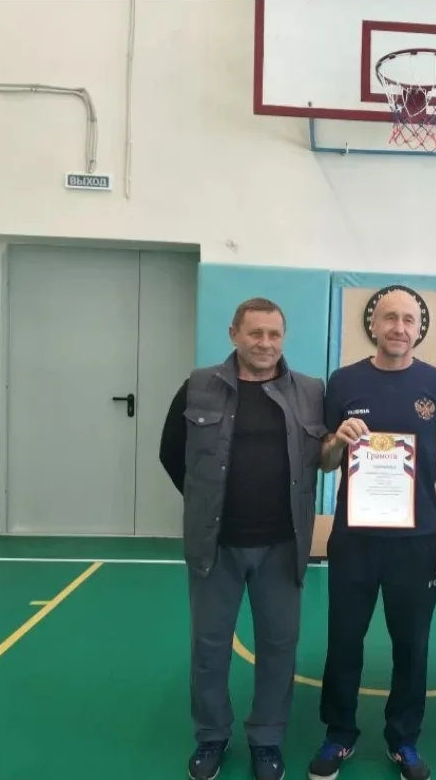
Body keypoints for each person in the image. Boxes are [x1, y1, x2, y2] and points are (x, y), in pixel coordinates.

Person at [158, 297, 327, 780]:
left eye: (274, 334)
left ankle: (267, 739)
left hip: (283, 548)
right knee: (209, 647)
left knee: (278, 648)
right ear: (234, 334)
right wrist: (207, 503)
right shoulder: (198, 386)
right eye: (255, 333)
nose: (265, 343)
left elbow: (326, 455)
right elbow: (171, 453)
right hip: (217, 548)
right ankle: (211, 736)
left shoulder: (310, 392)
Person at [307, 288, 436, 780]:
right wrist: (337, 440)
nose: (399, 327)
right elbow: (324, 461)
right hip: (353, 540)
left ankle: (404, 740)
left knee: (411, 646)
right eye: (390, 318)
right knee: (344, 642)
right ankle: (339, 734)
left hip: (415, 543)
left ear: (419, 329)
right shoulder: (343, 382)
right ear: (373, 325)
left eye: (408, 320)